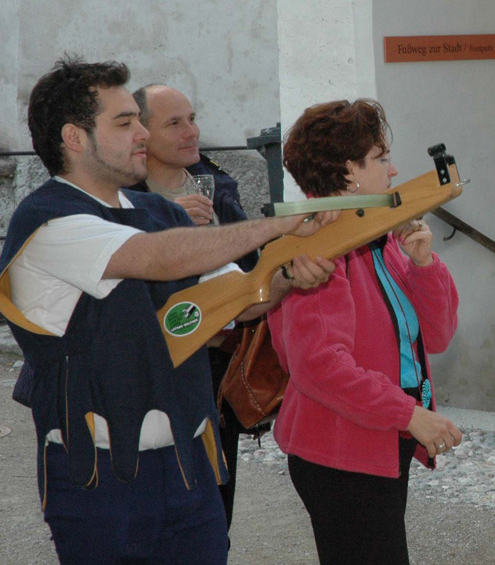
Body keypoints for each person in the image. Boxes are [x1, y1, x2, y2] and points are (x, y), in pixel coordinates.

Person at [0, 57, 335, 564]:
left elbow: (237, 299)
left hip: (188, 467)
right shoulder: (48, 219)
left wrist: (285, 277)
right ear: (74, 137)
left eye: (138, 118)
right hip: (99, 475)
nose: (141, 133)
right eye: (124, 121)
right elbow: (153, 257)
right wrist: (277, 227)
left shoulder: (159, 213)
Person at [269, 99, 461, 565]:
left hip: (373, 440)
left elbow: (436, 336)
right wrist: (409, 414)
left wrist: (422, 265)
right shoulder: (318, 244)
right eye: (380, 158)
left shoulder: (371, 235)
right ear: (346, 171)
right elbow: (318, 366)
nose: (393, 171)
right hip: (340, 452)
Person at [129, 83, 257, 528]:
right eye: (175, 123)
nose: (191, 131)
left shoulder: (216, 182)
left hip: (217, 363)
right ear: (141, 132)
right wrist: (166, 221)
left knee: (216, 504)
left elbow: (248, 268)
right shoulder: (125, 198)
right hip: (157, 366)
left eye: (192, 118)